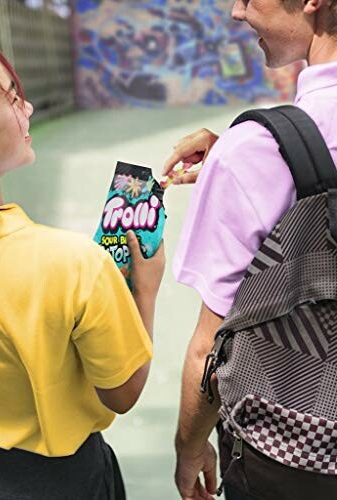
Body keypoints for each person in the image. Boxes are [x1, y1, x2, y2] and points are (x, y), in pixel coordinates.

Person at [0, 30, 165, 499]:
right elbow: (122, 393)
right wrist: (145, 289)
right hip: (62, 483)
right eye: (14, 97)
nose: (29, 109)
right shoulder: (74, 264)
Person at [162, 0, 337, 499]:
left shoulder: (254, 152)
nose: (237, 12)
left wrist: (188, 449)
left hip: (294, 462)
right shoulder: (252, 153)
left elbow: (208, 352)